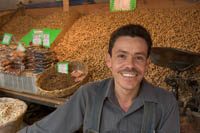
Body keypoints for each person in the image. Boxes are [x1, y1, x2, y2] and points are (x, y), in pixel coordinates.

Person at [18, 24, 180, 133]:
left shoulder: (165, 103)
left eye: (138, 57)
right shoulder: (88, 95)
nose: (129, 65)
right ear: (109, 60)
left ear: (147, 63)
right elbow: (45, 129)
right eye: (122, 56)